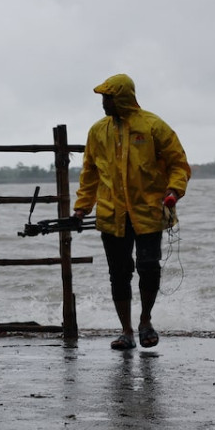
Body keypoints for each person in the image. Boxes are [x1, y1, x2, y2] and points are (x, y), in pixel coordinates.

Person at [74, 74, 191, 350]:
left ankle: (145, 321)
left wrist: (174, 190)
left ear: (121, 98)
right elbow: (89, 173)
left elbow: (179, 163)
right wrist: (82, 208)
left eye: (108, 97)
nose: (103, 103)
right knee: (119, 273)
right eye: (103, 97)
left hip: (149, 211)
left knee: (149, 268)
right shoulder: (97, 131)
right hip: (111, 215)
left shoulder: (153, 126)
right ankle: (126, 330)